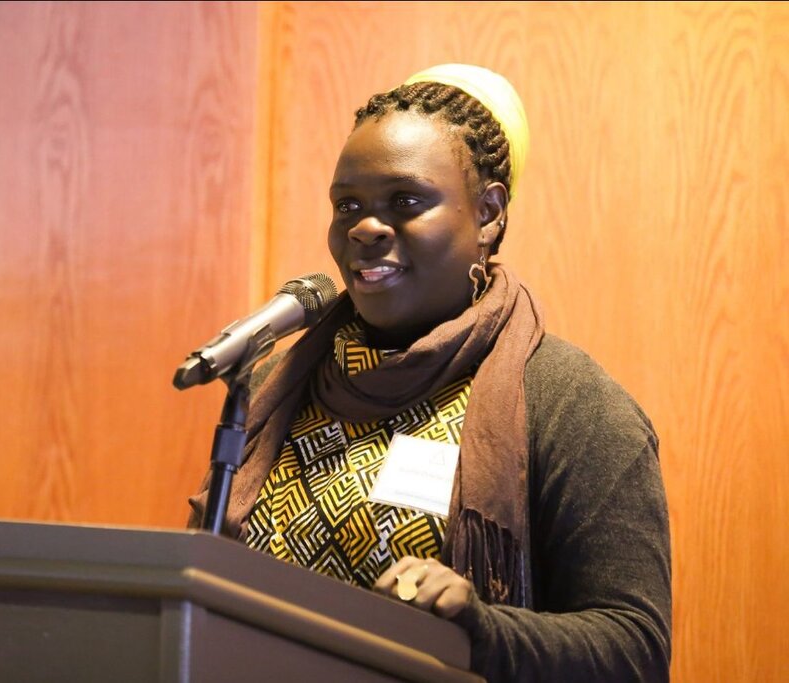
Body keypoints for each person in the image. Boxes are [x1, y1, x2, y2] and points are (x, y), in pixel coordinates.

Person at [188, 63, 671, 682]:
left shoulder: (571, 404)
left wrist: (480, 629)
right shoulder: (280, 380)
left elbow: (635, 649)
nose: (364, 226)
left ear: (489, 214)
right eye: (347, 204)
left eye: (406, 200)